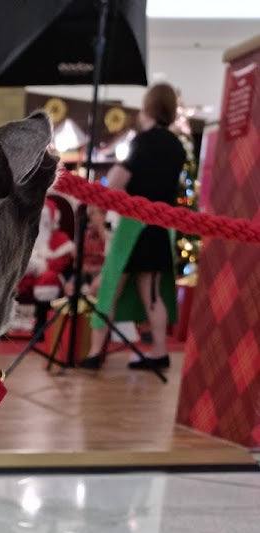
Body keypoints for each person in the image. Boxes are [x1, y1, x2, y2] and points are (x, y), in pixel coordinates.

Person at [80, 81, 186, 371]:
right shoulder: (177, 146)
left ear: (147, 107)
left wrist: (98, 206)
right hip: (161, 226)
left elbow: (115, 182)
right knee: (151, 292)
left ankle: (95, 352)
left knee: (110, 287)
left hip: (133, 227)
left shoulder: (142, 142)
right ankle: (160, 351)